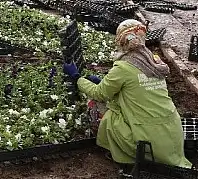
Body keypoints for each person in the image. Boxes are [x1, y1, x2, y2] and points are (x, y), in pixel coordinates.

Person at [63, 19, 191, 169]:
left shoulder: (123, 67)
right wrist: (102, 81)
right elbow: (136, 88)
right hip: (173, 136)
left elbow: (99, 94)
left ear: (121, 41)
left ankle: (125, 156)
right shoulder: (154, 61)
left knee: (107, 114)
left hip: (148, 144)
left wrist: (77, 78)